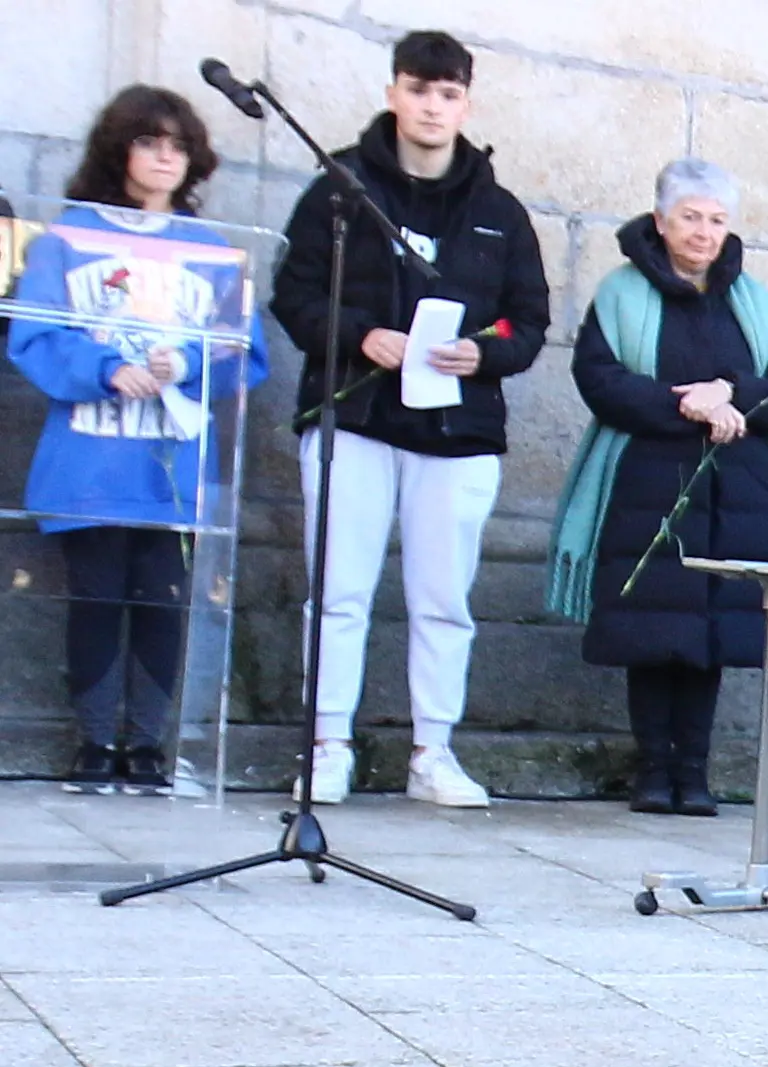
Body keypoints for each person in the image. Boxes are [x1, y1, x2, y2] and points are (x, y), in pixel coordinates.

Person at [270, 30, 550, 809]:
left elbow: (528, 323)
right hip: (352, 419)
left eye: (449, 93)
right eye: (419, 90)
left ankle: (434, 750)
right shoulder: (340, 188)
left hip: (456, 433)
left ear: (466, 102)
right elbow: (292, 294)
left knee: (443, 598)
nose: (433, 106)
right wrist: (359, 334)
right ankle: (328, 743)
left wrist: (481, 353)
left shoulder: (498, 211)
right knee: (339, 590)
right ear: (393, 92)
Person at [12, 85, 268, 794]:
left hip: (173, 462)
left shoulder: (214, 253)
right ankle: (95, 742)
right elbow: (32, 337)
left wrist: (189, 362)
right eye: (148, 142)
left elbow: (247, 353)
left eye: (177, 146)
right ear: (117, 149)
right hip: (91, 455)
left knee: (163, 596)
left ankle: (149, 744)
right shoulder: (69, 238)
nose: (164, 157)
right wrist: (105, 368)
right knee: (95, 595)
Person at [548, 160, 768, 816]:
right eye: (690, 217)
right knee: (654, 632)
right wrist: (689, 406)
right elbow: (599, 378)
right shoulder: (620, 292)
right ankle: (651, 769)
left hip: (736, 489)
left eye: (717, 219)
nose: (703, 232)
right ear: (661, 221)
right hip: (648, 482)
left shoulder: (751, 299)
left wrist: (734, 395)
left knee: (709, 636)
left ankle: (693, 771)